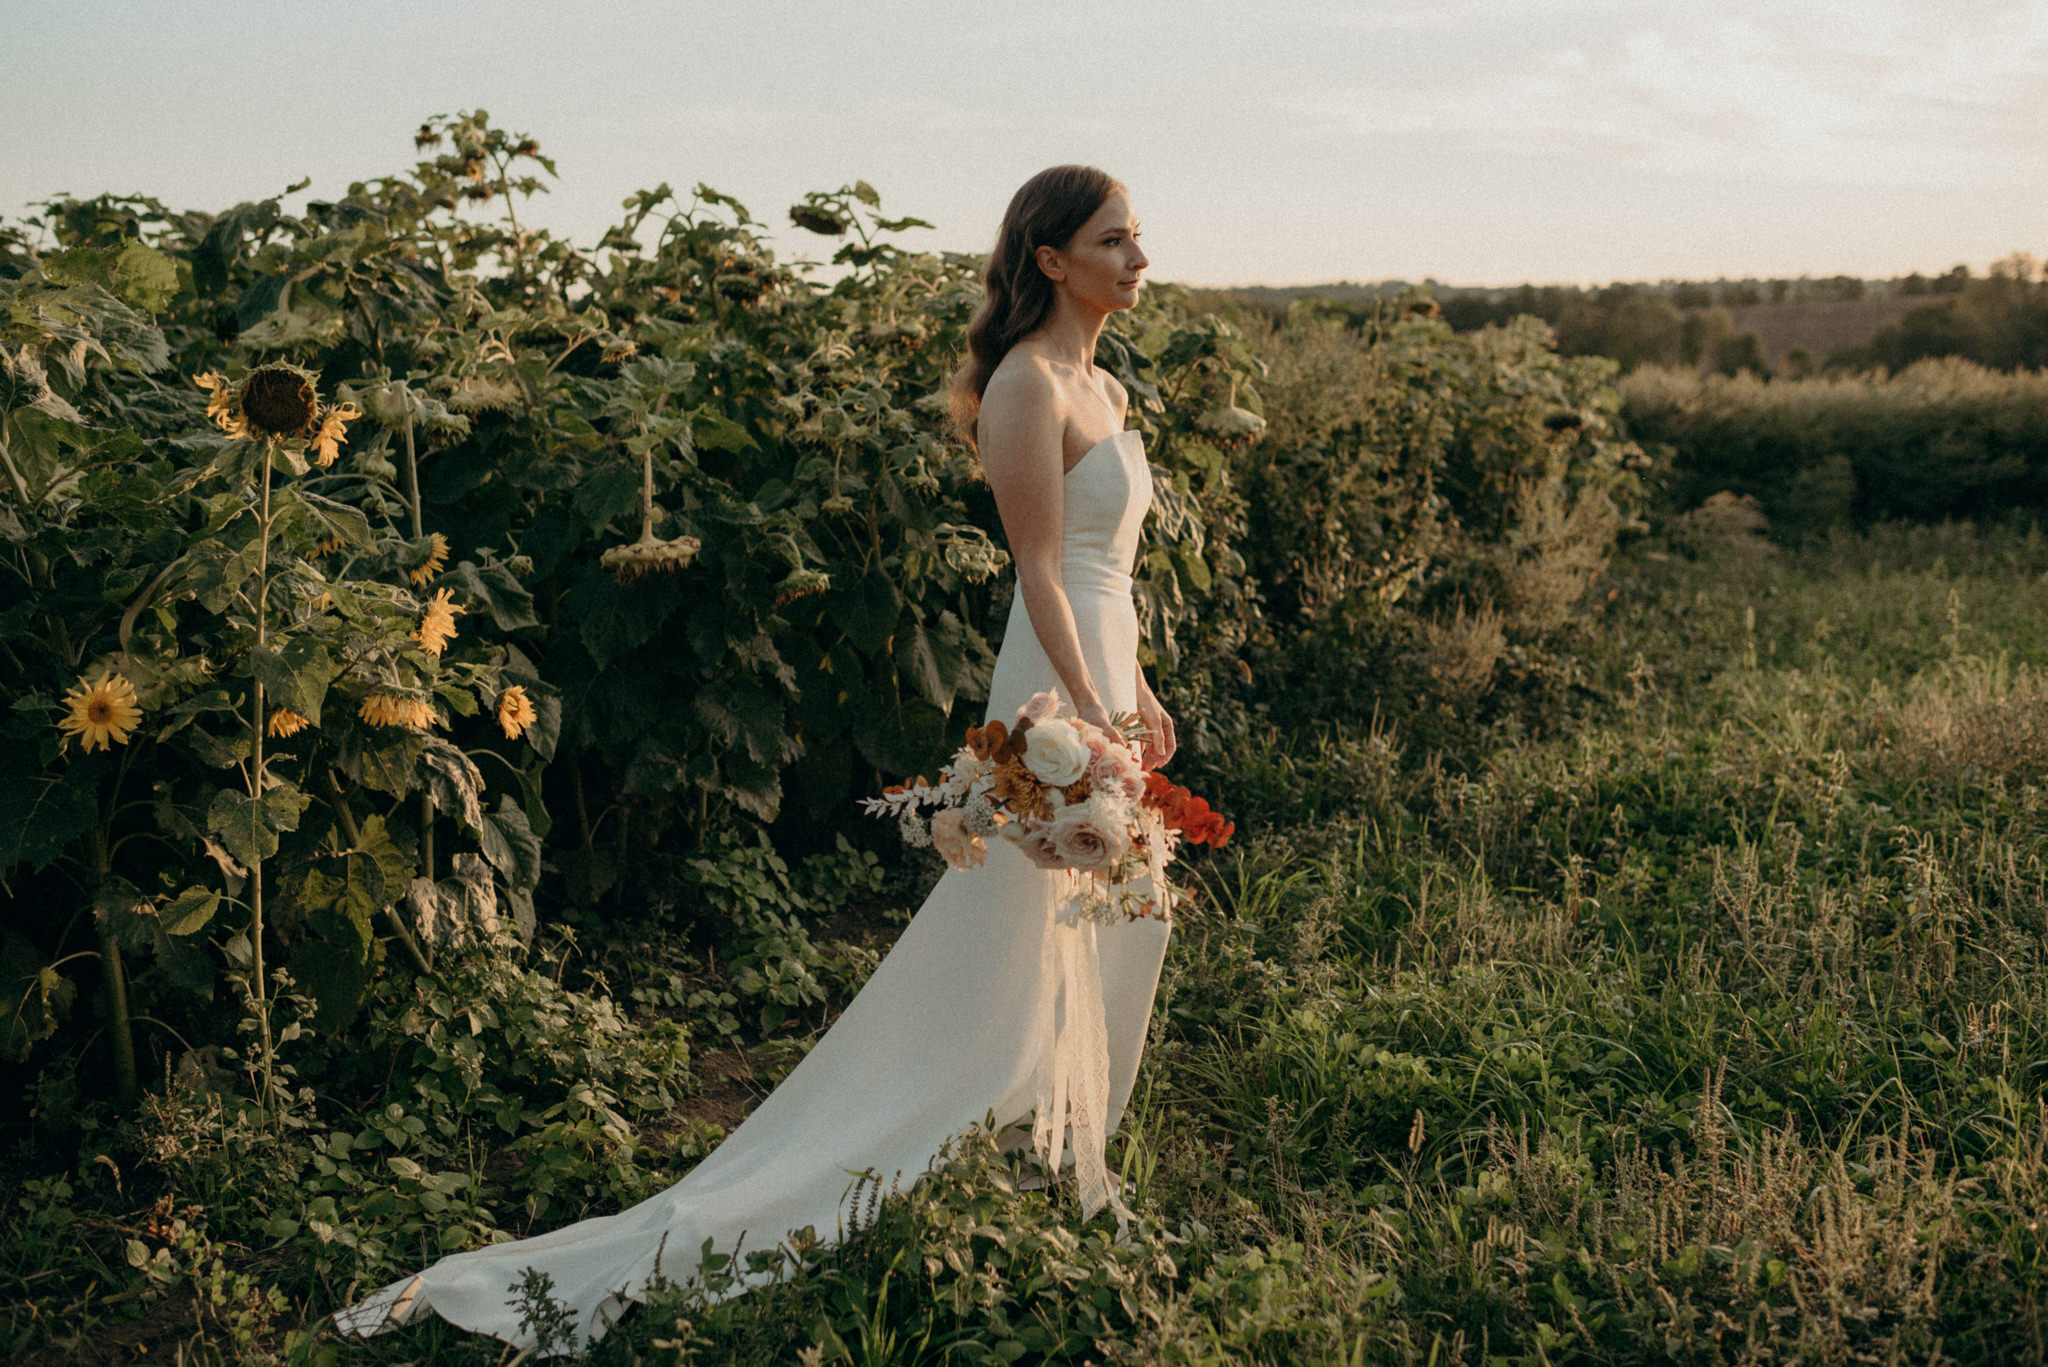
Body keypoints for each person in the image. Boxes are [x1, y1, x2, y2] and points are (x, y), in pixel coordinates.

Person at [335, 164, 1174, 1356]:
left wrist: (1139, 691)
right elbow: (1038, 565)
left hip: (1103, 660)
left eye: (1137, 237)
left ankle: (1050, 1136)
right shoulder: (1025, 387)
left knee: (1120, 913)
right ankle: (975, 1129)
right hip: (1045, 680)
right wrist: (1086, 714)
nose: (1141, 257)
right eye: (1117, 238)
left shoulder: (1106, 384)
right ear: (1051, 258)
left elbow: (1110, 567)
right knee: (1036, 920)